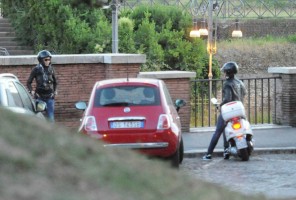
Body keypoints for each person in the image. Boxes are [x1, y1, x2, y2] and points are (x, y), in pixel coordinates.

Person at [202, 61, 246, 160]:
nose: (224, 73)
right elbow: (244, 94)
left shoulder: (227, 84)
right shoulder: (240, 82)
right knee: (232, 129)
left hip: (230, 110)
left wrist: (220, 105)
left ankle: (208, 154)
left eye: (225, 71)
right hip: (239, 110)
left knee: (218, 131)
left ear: (227, 72)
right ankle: (226, 150)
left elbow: (227, 98)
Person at [27, 50, 58, 122]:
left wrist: (55, 91)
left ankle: (51, 132)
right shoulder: (36, 69)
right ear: (41, 60)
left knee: (51, 118)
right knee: (39, 118)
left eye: (49, 59)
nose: (48, 61)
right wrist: (31, 91)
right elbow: (29, 82)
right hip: (40, 97)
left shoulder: (51, 69)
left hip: (50, 97)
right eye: (46, 60)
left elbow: (55, 82)